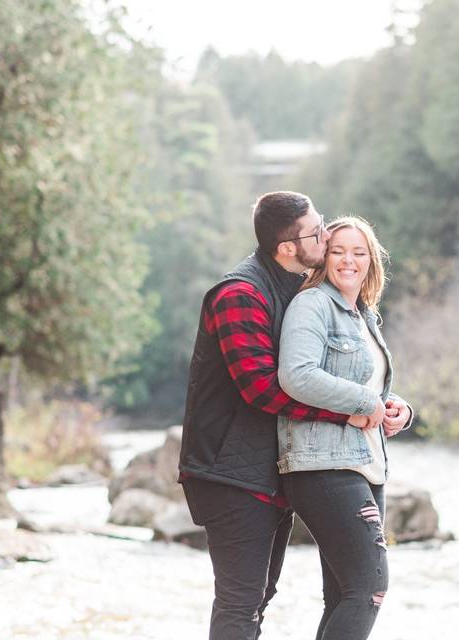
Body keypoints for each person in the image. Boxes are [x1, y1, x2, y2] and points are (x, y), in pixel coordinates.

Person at [178, 192, 411, 640]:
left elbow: (338, 372)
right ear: (288, 248)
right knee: (241, 602)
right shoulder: (240, 295)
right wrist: (352, 414)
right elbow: (264, 388)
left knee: (261, 597)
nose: (325, 237)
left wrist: (384, 406)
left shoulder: (295, 288)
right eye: (317, 231)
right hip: (228, 472)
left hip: (267, 468)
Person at [277, 216, 412, 640]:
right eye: (337, 251)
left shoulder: (363, 315)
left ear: (372, 260)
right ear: (324, 258)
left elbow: (367, 385)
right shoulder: (312, 303)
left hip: (366, 465)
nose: (348, 260)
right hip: (324, 466)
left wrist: (398, 409)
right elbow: (296, 376)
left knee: (344, 594)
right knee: (369, 589)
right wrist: (364, 402)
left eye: (358, 252)